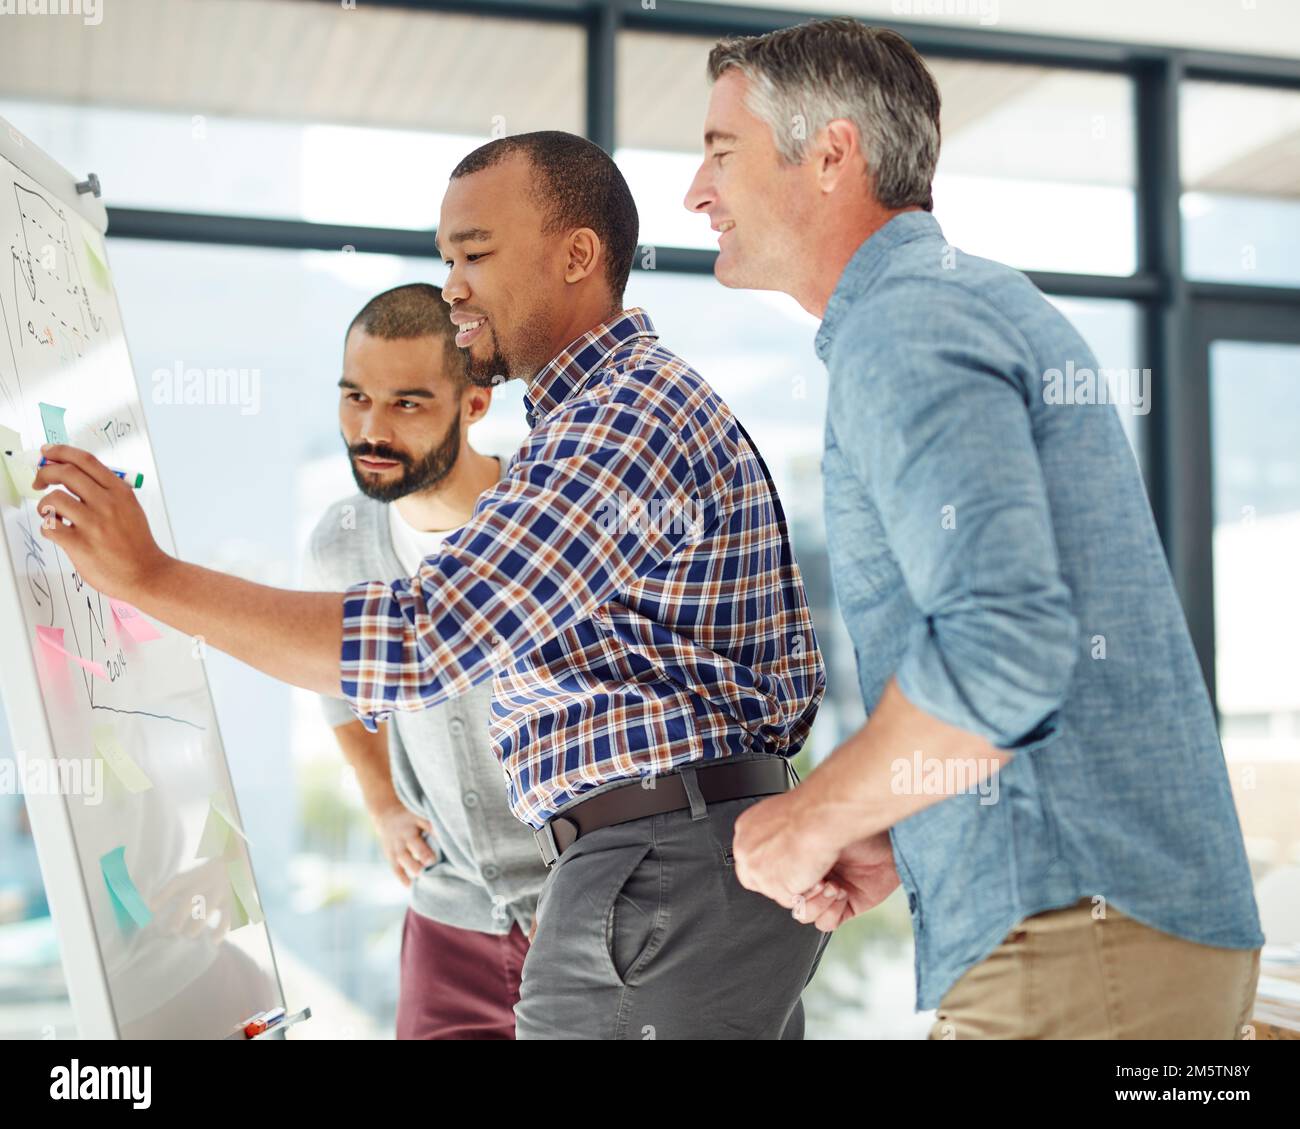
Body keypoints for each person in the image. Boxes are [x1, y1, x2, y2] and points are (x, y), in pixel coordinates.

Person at [34, 131, 830, 1040]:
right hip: (665, 875)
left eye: (476, 254)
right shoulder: (597, 416)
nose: (452, 284)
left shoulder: (618, 422)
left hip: (656, 878)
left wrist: (149, 577)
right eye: (446, 257)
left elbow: (421, 640)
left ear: (578, 255)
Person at [684, 17, 1263, 1039]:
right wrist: (894, 830)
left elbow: (1005, 650)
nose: (697, 191)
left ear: (830, 152)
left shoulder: (903, 328)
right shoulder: (965, 306)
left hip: (1079, 950)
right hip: (1109, 939)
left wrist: (813, 814)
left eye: (719, 151)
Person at [304, 282, 547, 1039]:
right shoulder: (343, 542)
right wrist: (379, 798)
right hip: (448, 920)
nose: (370, 429)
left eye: (407, 403)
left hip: (580, 918)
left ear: (475, 404)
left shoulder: (546, 522)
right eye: (355, 398)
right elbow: (338, 681)